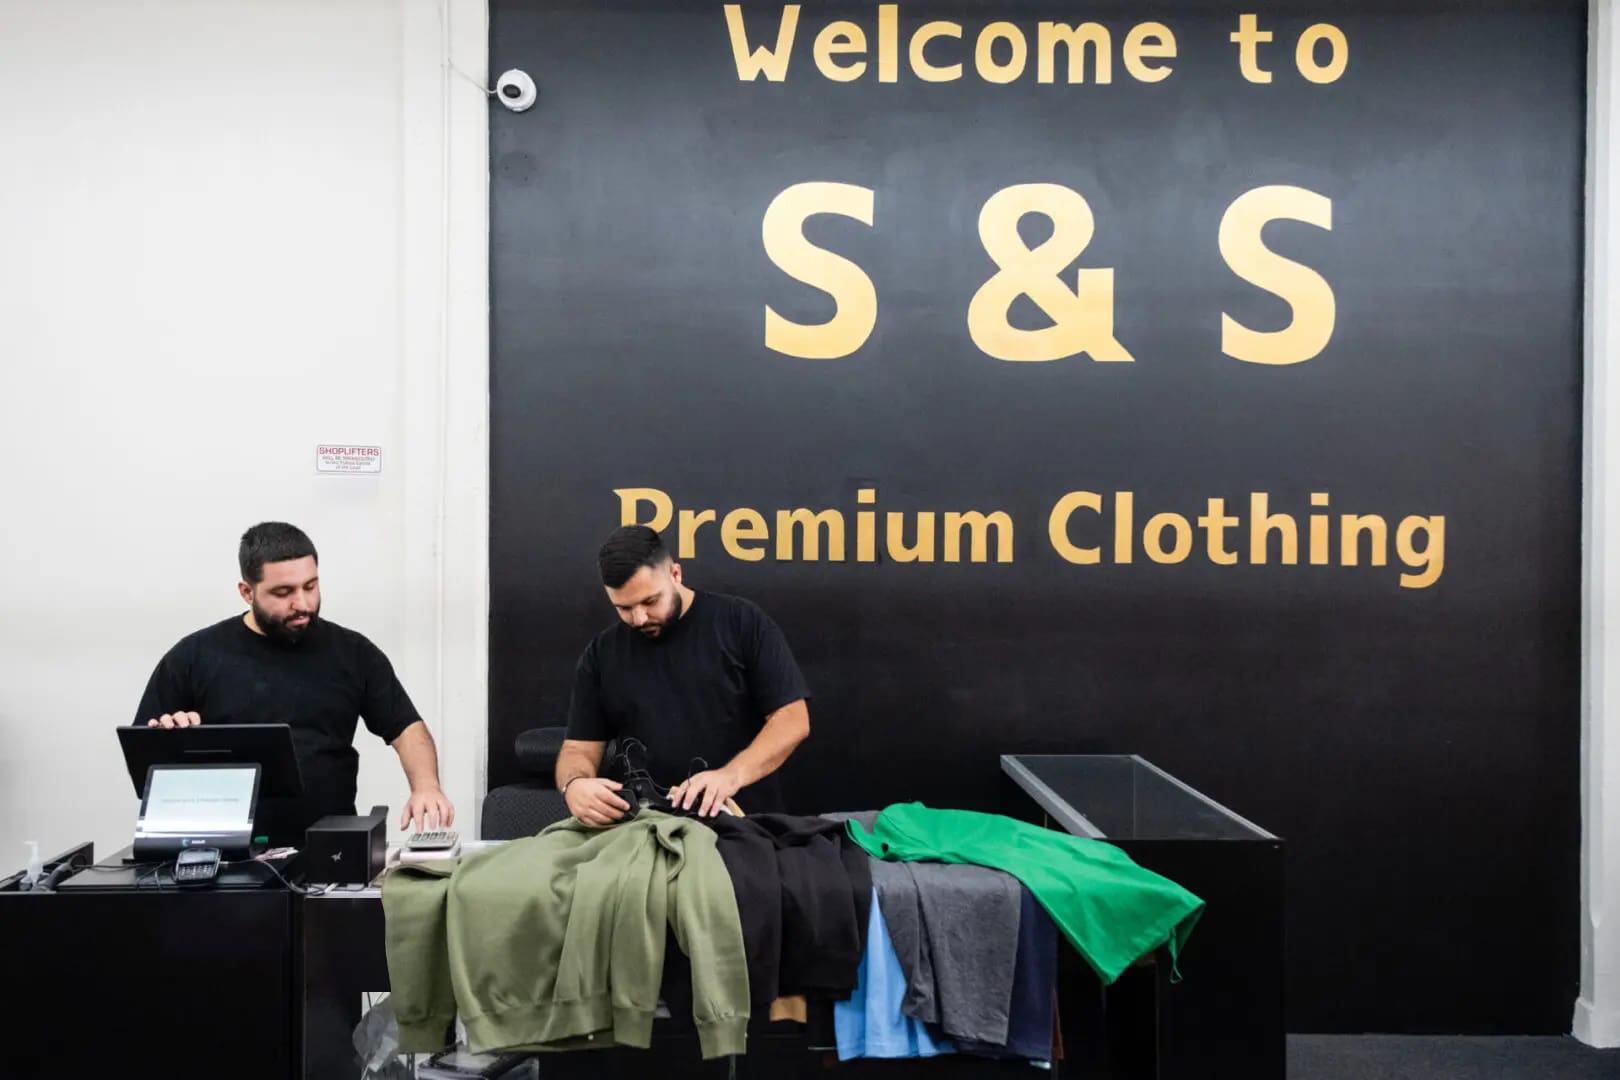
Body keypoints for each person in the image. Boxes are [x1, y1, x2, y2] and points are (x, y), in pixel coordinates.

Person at [133, 522, 454, 842]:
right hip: (221, 853)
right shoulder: (194, 657)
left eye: (310, 586)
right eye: (283, 592)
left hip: (330, 849)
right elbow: (145, 758)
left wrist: (426, 786)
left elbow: (406, 728)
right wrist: (170, 738)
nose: (302, 603)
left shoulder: (354, 653)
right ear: (247, 592)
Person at [557, 525, 811, 825]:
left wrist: (730, 777)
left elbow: (793, 719)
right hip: (645, 827)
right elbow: (577, 748)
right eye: (624, 608)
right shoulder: (601, 653)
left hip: (743, 825)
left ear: (675, 574)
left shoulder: (741, 623)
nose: (639, 618)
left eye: (650, 602)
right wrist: (573, 785)